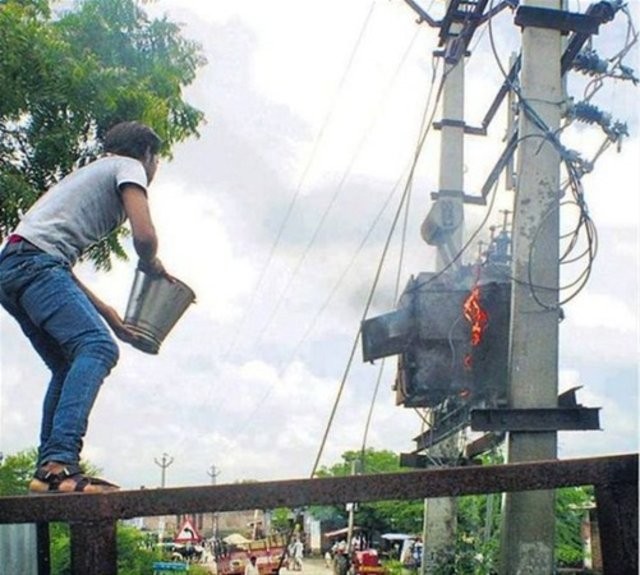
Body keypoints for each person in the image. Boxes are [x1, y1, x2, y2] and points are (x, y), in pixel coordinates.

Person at [0, 121, 168, 493]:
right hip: (35, 265)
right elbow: (145, 237)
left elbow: (51, 262)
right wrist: (151, 262)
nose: (153, 172)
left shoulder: (90, 173)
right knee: (97, 348)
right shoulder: (130, 167)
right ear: (148, 155)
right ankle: (60, 464)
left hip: (13, 269)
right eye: (156, 162)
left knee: (67, 363)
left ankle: (46, 475)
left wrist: (108, 313)